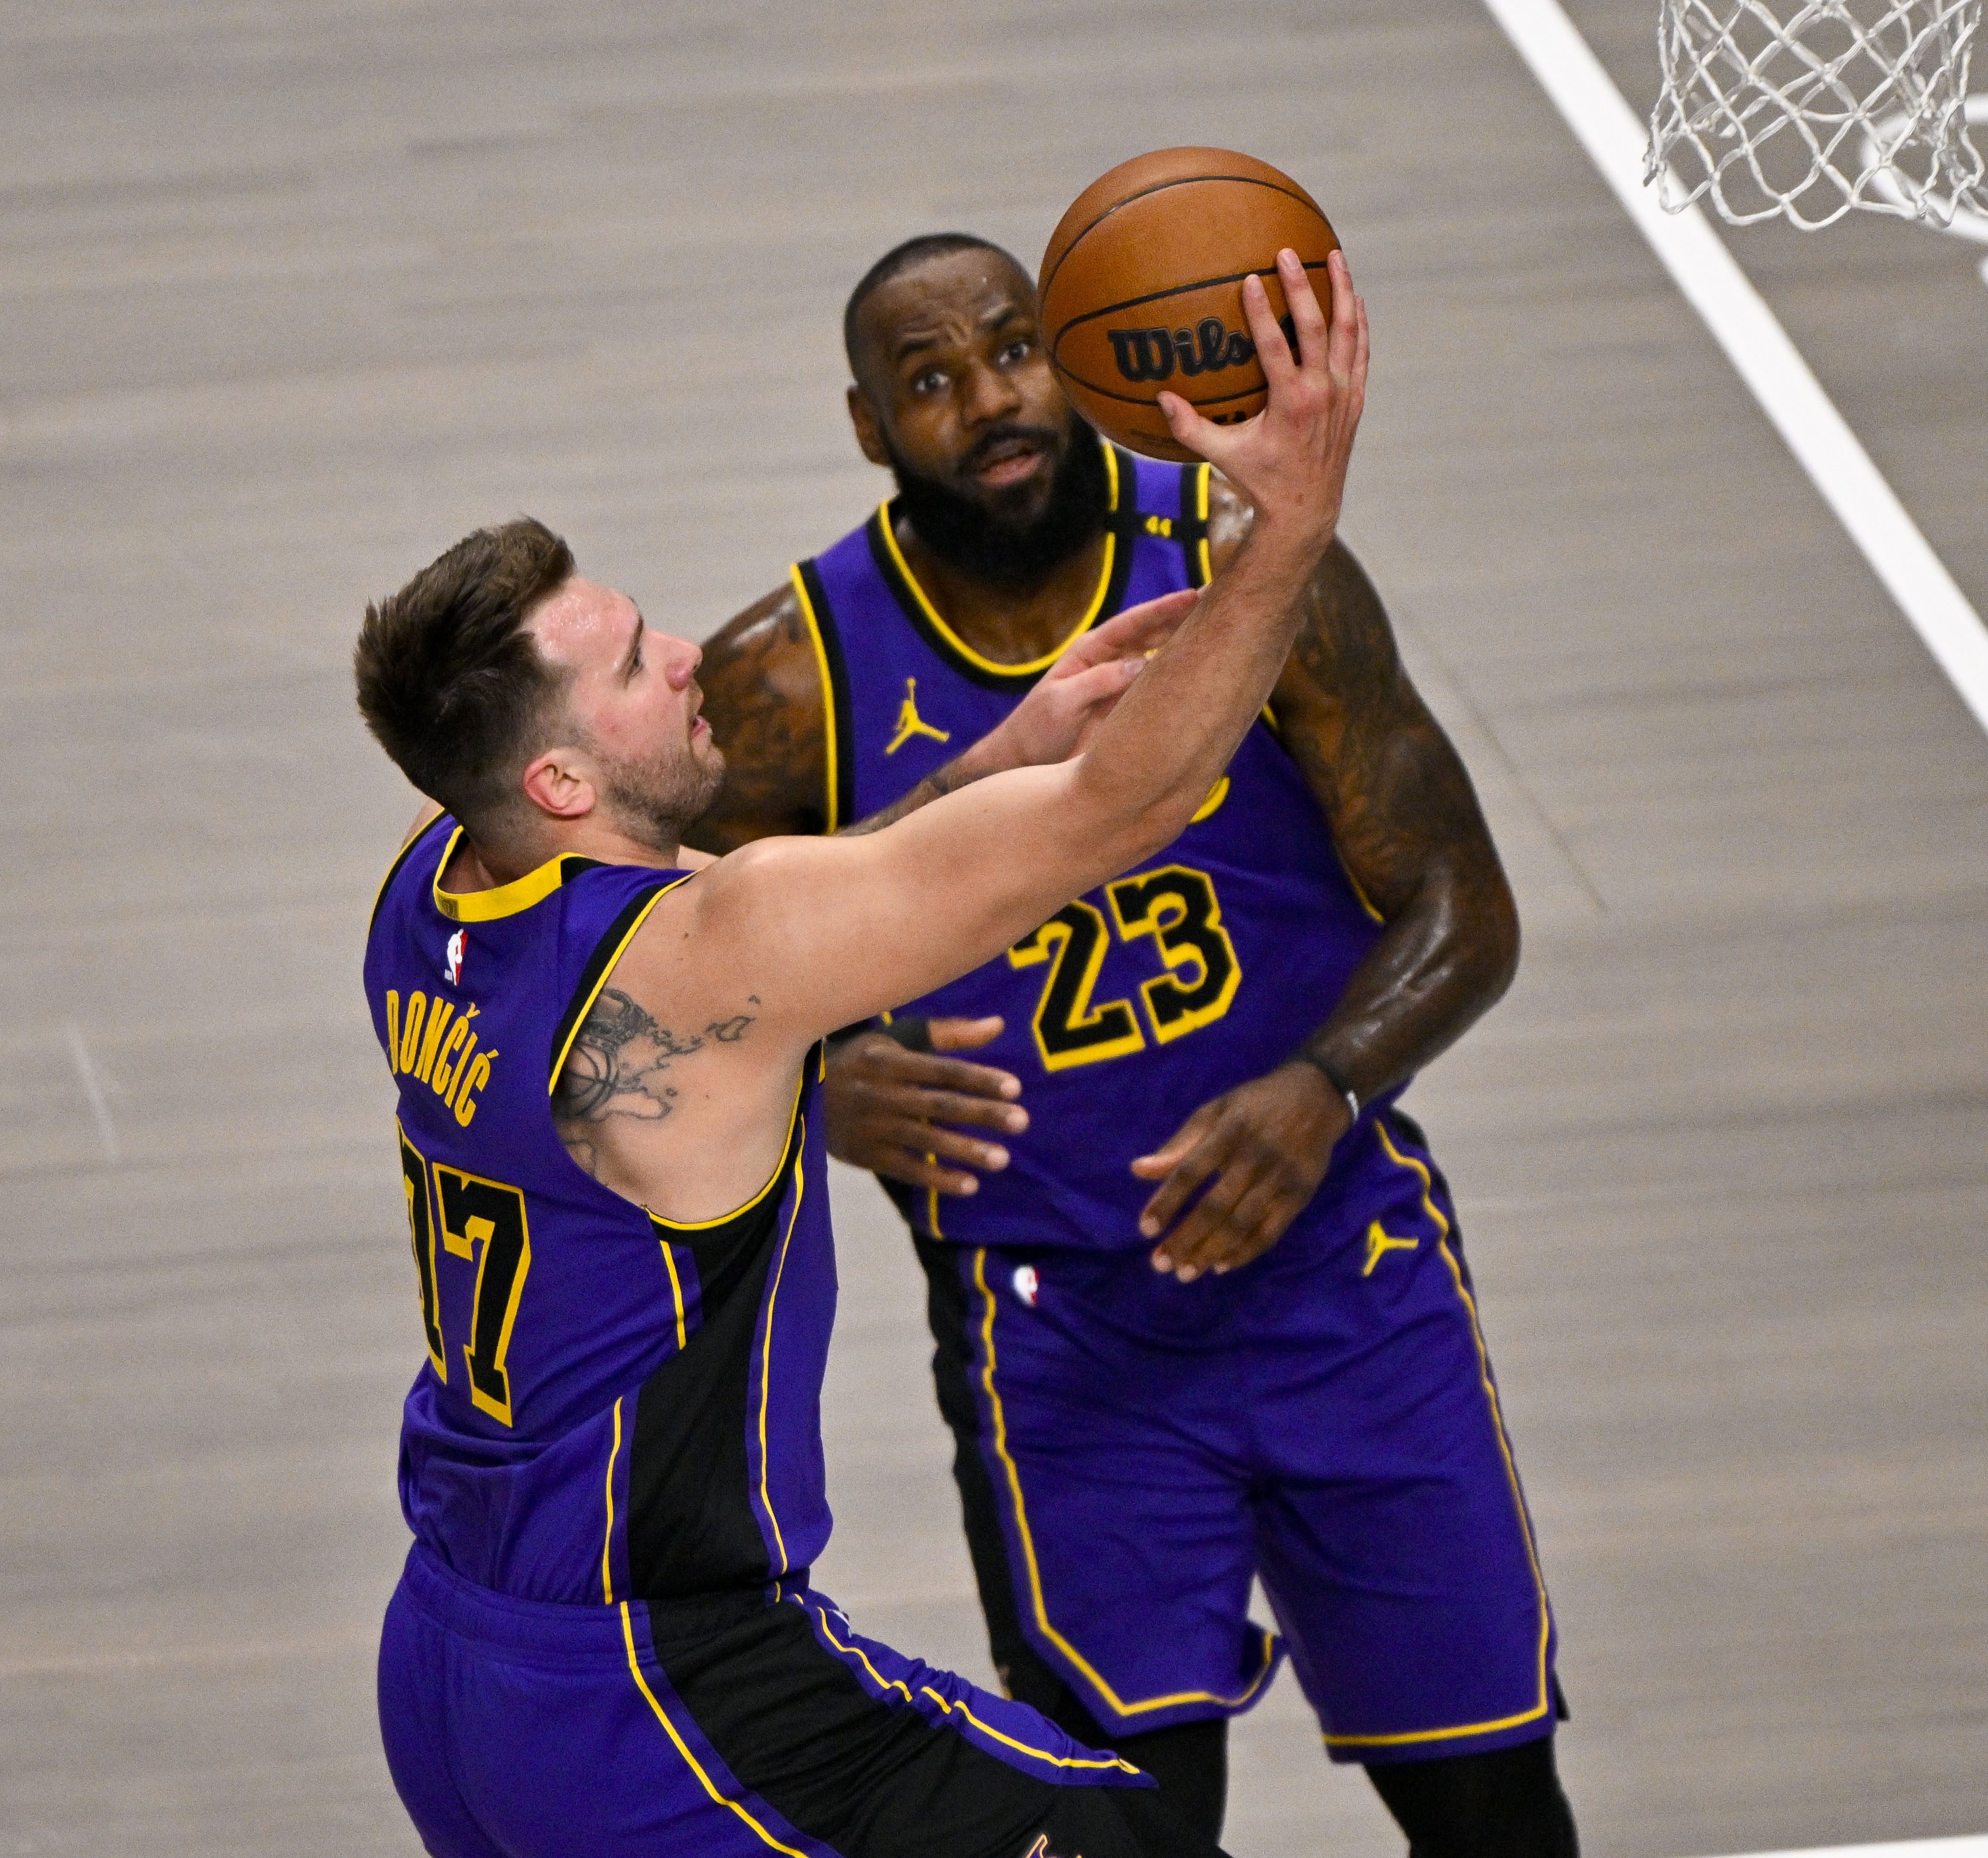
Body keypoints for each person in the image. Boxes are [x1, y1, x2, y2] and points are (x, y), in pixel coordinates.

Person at [355, 251, 1363, 1858]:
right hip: (655, 1691)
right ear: (559, 783)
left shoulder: (430, 893)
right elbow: (1130, 807)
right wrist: (1289, 522)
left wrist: (993, 754)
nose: (682, 654)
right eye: (630, 666)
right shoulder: (702, 951)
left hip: (448, 1664)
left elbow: (779, 937)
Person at [688, 234, 1573, 1858]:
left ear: (1079, 354)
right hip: (1058, 1339)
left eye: (1013, 348)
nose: (989, 399)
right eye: (930, 380)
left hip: (1346, 1285)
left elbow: (1466, 905)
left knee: (1495, 1816)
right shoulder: (787, 678)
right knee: (1126, 1843)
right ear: (869, 427)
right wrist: (811, 1078)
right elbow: (655, 982)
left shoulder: (1246, 564)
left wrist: (1324, 1087)